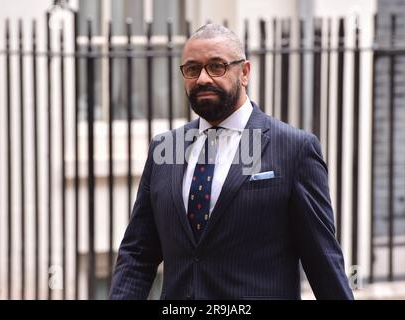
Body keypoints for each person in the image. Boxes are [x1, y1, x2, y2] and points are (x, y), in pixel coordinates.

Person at [109, 23, 353, 300]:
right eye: (192, 69)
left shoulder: (294, 149)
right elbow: (138, 254)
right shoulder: (165, 149)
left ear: (245, 72)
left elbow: (323, 262)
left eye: (216, 66)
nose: (202, 78)